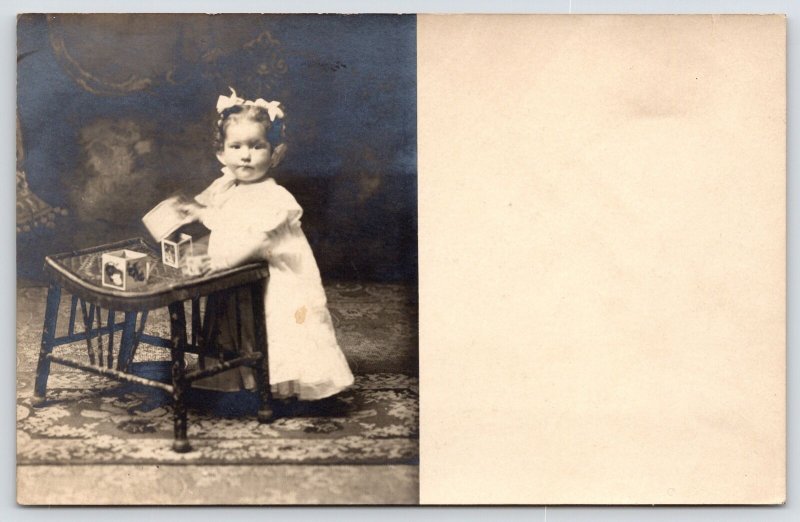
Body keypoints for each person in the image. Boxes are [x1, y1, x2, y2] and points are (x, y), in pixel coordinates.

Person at [179, 88, 354, 410]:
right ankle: (241, 379)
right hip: (242, 272)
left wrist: (218, 263)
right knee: (238, 322)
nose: (246, 155)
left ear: (275, 154)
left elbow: (257, 240)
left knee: (280, 326)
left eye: (256, 146)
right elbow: (226, 219)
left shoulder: (273, 198)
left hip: (276, 278)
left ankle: (290, 389)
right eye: (236, 146)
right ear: (221, 154)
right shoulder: (228, 188)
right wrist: (201, 213)